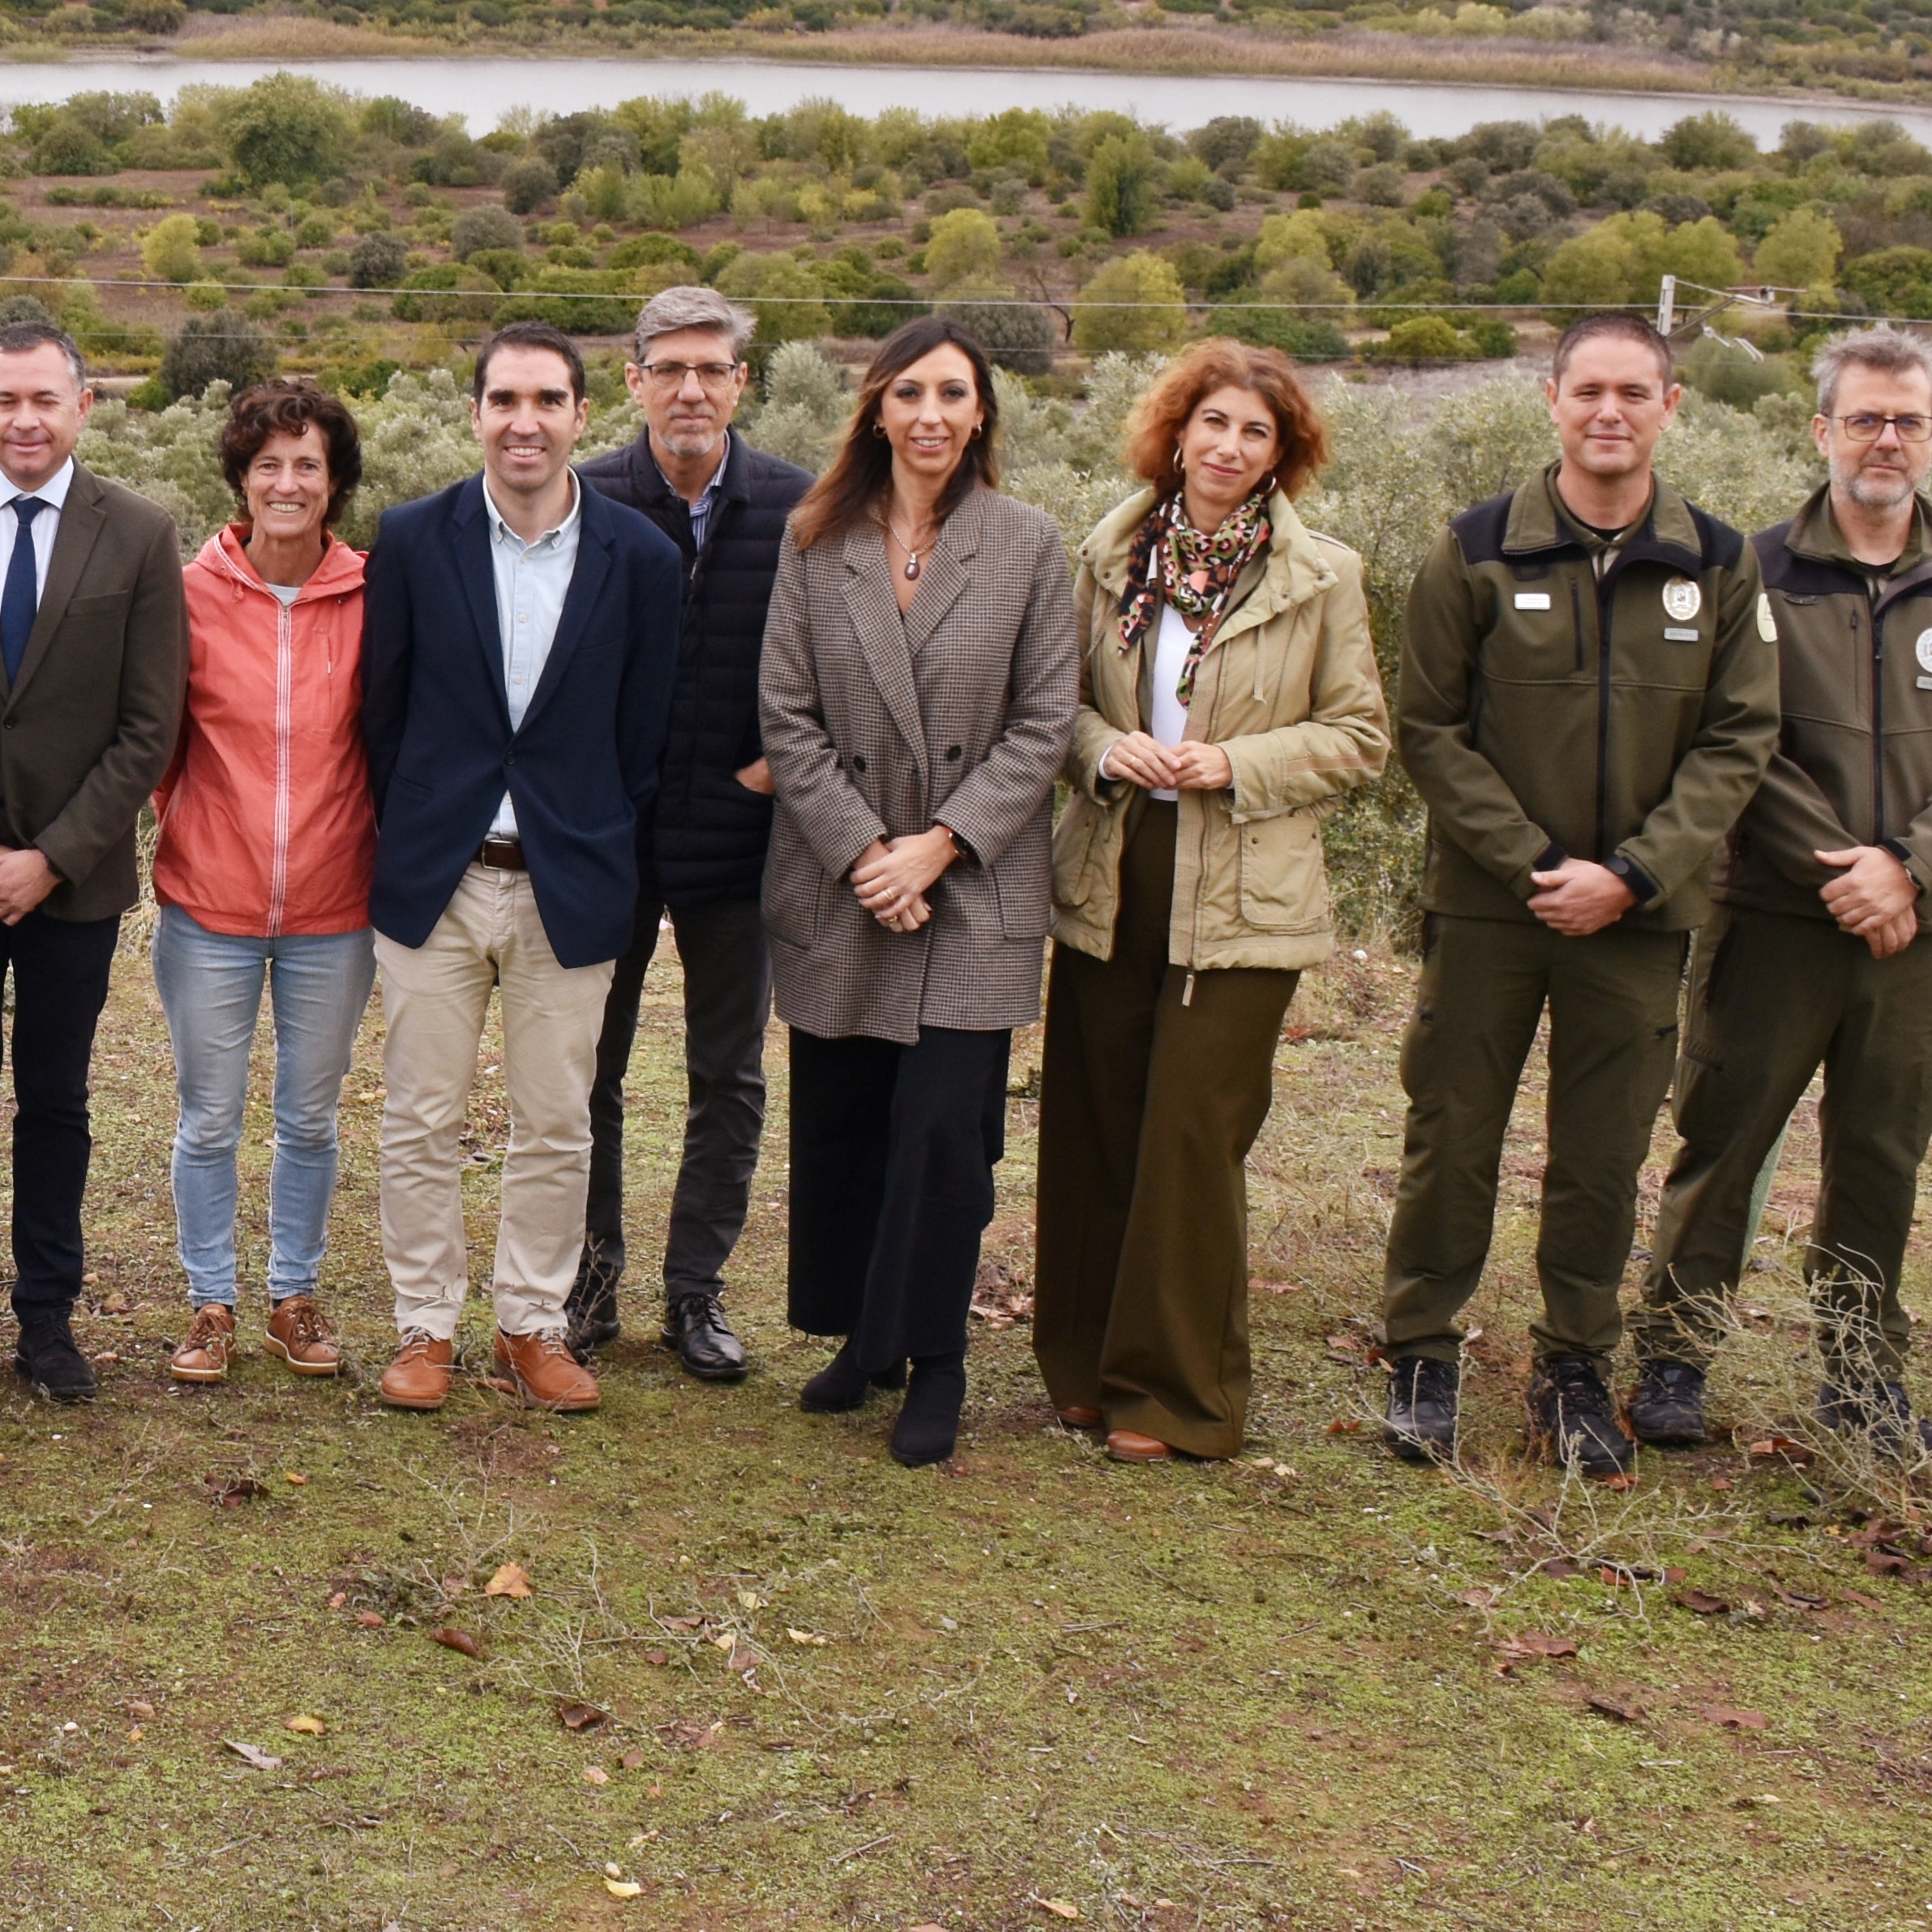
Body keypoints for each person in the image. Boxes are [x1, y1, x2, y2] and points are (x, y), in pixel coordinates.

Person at [1619, 329, 1932, 1452]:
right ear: (1822, 431)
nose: (1885, 439)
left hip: (1915, 927)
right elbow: (1739, 740)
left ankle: (1861, 1372)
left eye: (1907, 419)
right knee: (1724, 1137)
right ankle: (1673, 1355)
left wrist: (1907, 867)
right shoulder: (1754, 568)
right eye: (1864, 418)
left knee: (1882, 1152)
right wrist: (1847, 867)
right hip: (1774, 919)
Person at [1383, 311, 1777, 1481]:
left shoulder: (1718, 559)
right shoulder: (1475, 548)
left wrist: (1635, 873)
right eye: (1588, 390)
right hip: (1493, 909)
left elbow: (1739, 735)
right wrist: (1532, 865)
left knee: (1601, 1154)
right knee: (1451, 1135)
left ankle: (1572, 1366)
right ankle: (1419, 1352)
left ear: (1671, 409)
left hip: (1637, 919)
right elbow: (1429, 730)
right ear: (1550, 400)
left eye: (1634, 393)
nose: (1610, 412)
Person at [1039, 341, 1385, 1463]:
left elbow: (1358, 736)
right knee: (1096, 1124)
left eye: (1257, 433)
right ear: (1176, 433)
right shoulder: (1106, 558)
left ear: (1283, 455)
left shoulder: (1320, 576)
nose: (1230, 448)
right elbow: (1060, 713)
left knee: (1191, 1135)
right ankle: (1085, 1369)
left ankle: (1175, 1397)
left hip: (1242, 899)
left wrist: (1234, 764)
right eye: (1215, 424)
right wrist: (1109, 748)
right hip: (1113, 874)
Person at [756, 316, 1082, 1469]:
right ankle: (862, 1339)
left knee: (945, 1127)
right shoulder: (815, 543)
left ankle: (935, 1357)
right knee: (845, 1117)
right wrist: (862, 853)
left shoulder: (1031, 545)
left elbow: (1046, 720)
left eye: (953, 394)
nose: (931, 415)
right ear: (876, 412)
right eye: (909, 395)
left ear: (981, 410)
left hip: (971, 885)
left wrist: (935, 847)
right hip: (842, 878)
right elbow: (784, 719)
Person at [356, 322, 684, 1416]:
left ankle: (532, 1326)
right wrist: (431, 822)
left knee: (558, 1118)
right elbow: (384, 715)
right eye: (503, 400)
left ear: (584, 414)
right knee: (418, 1114)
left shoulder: (641, 557)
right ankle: (425, 1328)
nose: (524, 421)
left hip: (570, 877)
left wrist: (582, 829)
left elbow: (644, 739)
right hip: (437, 876)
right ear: (476, 416)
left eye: (547, 400)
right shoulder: (411, 538)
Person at [0, 317, 189, 1407]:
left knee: (55, 1102)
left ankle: (47, 1321)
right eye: (4, 400)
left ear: (81, 408)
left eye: (44, 400)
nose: (24, 418)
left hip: (76, 885)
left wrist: (51, 859)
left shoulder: (140, 534)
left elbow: (149, 726)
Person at [568, 284, 816, 1382]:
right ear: (634, 382)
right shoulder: (585, 500)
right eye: (667, 369)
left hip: (744, 841)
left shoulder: (799, 510)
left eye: (710, 369)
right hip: (610, 839)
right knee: (589, 1068)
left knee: (730, 1076)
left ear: (739, 383)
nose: (689, 389)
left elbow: (833, 663)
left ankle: (695, 1293)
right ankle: (588, 1280)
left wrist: (781, 767)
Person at [147, 381, 375, 1386]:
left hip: (337, 907)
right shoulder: (186, 592)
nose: (287, 482)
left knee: (311, 1116)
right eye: (268, 463)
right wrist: (187, 828)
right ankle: (209, 1300)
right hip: (208, 905)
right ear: (241, 477)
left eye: (307, 465)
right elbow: (155, 735)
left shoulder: (373, 592)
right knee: (207, 1115)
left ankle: (293, 1292)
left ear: (334, 484)